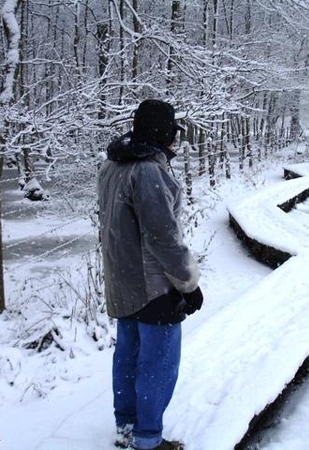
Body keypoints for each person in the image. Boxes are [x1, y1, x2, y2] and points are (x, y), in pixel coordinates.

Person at [97, 99, 204, 450]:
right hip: (154, 288)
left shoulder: (112, 166)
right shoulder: (149, 172)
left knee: (127, 357)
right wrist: (188, 284)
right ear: (164, 134)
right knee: (157, 366)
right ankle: (147, 440)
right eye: (173, 132)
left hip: (121, 281)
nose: (176, 140)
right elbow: (163, 238)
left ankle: (126, 428)